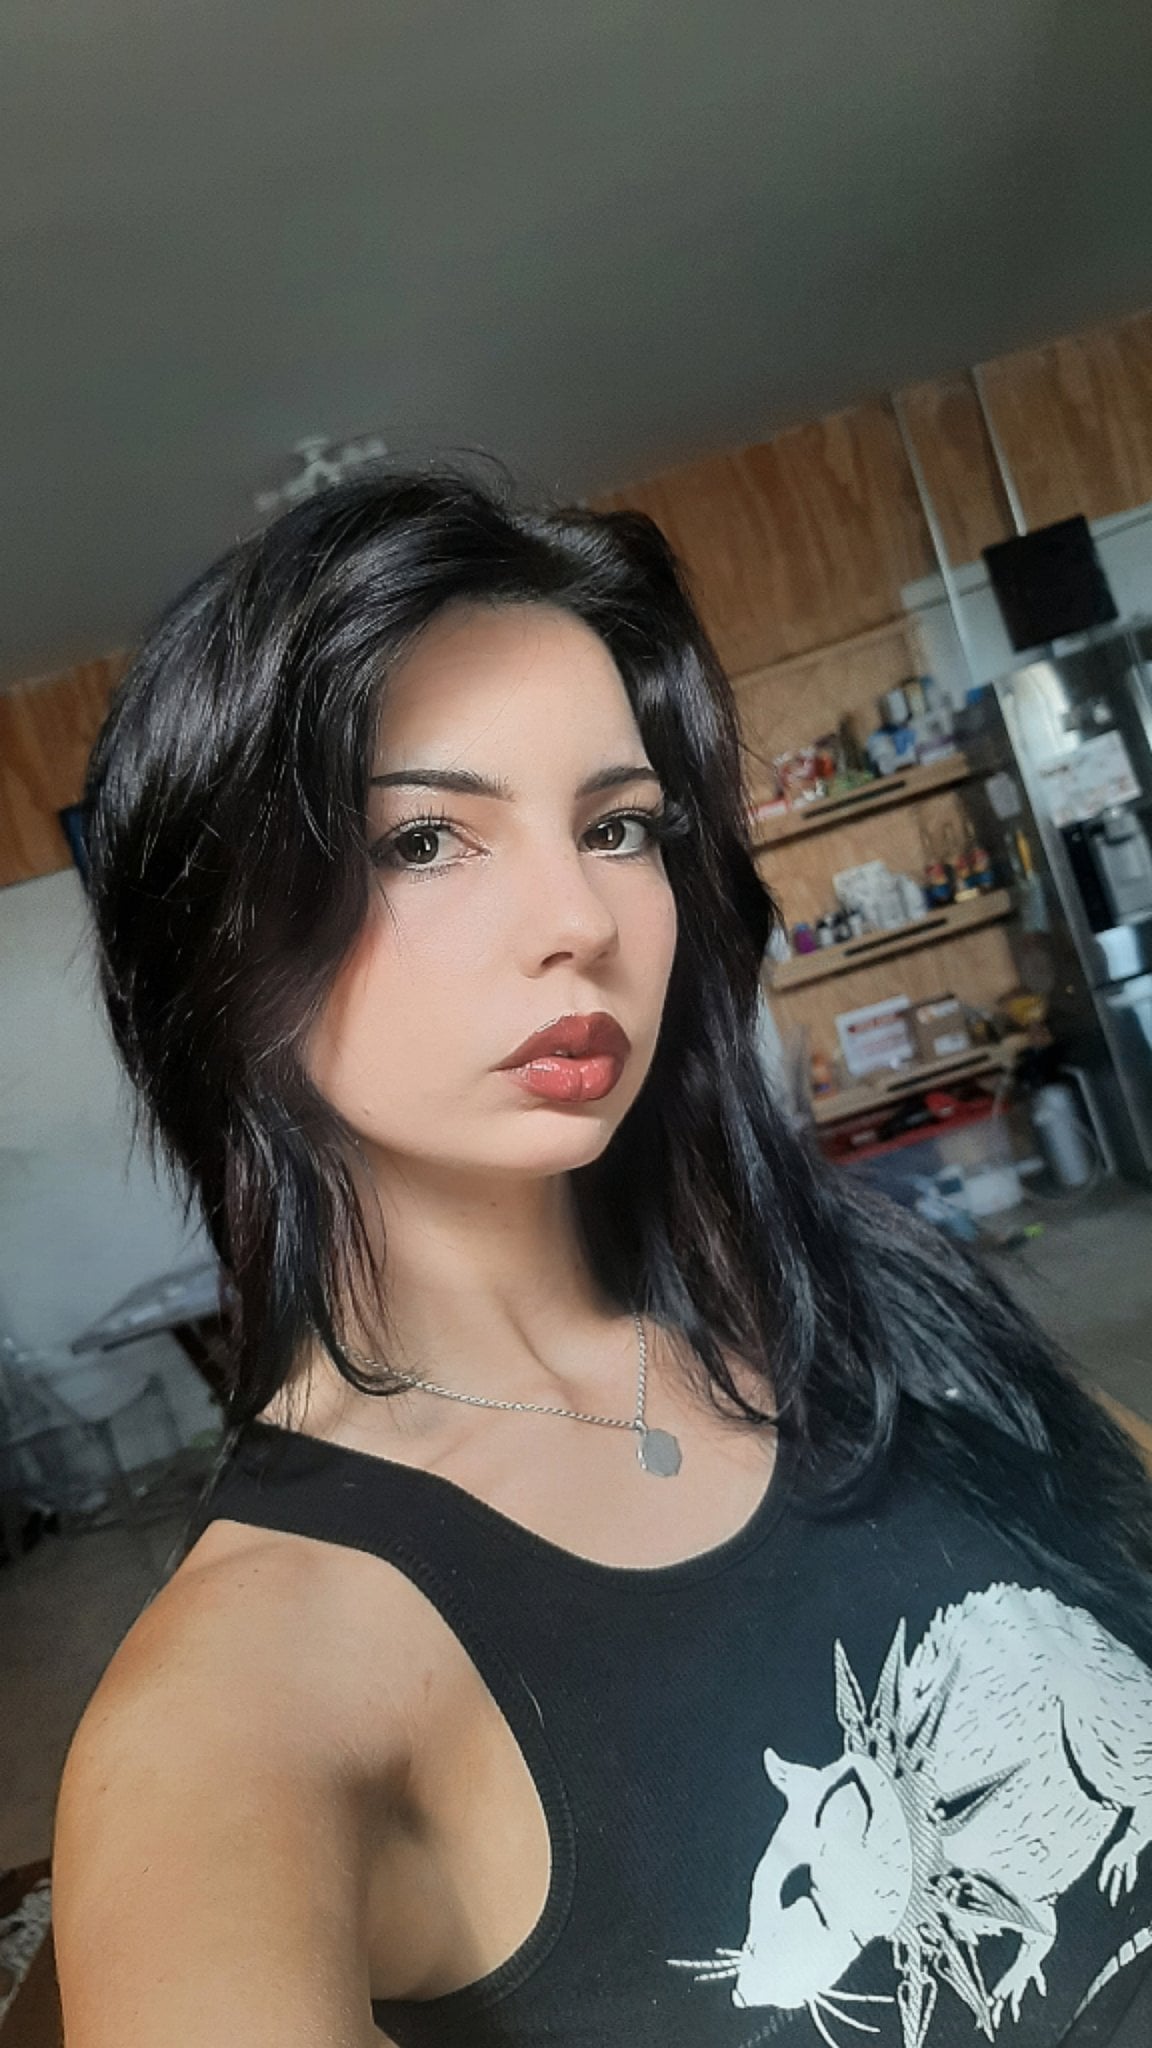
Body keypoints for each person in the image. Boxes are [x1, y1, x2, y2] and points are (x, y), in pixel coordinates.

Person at [53, 468, 1152, 2048]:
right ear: (221, 947)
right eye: (425, 838)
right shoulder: (249, 1696)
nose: (578, 916)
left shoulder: (872, 1291)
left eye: (617, 825)